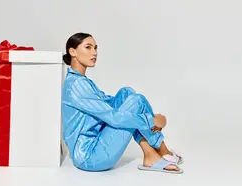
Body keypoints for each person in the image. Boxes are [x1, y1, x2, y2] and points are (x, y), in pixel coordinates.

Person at [61, 32, 184, 173]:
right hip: (89, 156)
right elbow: (113, 117)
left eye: (95, 48)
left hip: (95, 145)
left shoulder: (79, 80)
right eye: (88, 48)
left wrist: (138, 111)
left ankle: (154, 153)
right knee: (136, 101)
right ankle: (159, 151)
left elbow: (106, 104)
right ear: (72, 51)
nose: (94, 52)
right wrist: (151, 120)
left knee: (127, 93)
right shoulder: (76, 85)